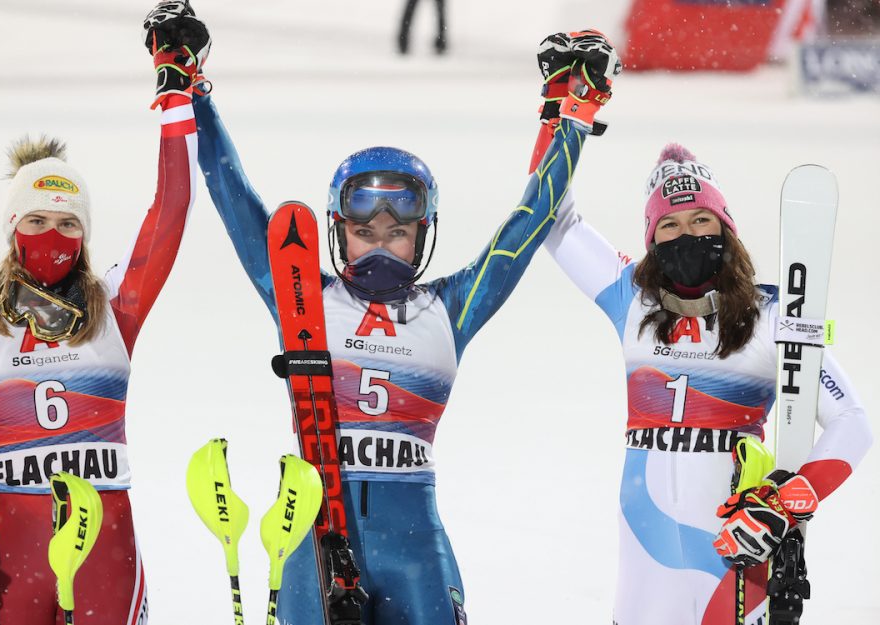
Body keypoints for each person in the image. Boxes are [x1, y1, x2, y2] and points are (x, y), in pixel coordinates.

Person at [191, 20, 619, 623]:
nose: (381, 246)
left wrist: (572, 118)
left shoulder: (452, 307)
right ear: (339, 232)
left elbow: (528, 223)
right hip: (311, 539)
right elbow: (232, 195)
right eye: (365, 232)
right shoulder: (300, 294)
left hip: (415, 548)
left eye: (398, 232)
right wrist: (194, 93)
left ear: (423, 234)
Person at [0, 6, 208, 623]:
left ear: (84, 237)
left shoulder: (115, 305)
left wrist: (174, 92)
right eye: (36, 220)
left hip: (107, 560)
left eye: (67, 225)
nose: (52, 236)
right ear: (11, 228)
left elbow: (173, 208)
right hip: (8, 562)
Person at [533, 31, 873, 625]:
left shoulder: (772, 314)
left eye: (701, 220)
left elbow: (853, 421)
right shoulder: (630, 301)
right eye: (669, 227)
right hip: (645, 555)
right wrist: (567, 114)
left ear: (727, 232)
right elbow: (552, 220)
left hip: (737, 552)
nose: (687, 235)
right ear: (650, 241)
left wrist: (790, 501)